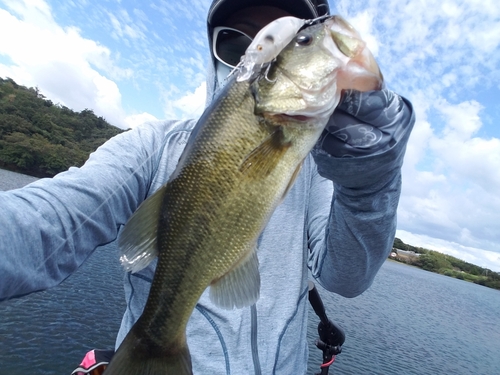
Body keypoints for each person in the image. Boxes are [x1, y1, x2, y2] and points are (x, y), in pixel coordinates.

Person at [0, 0, 415, 374]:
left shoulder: (326, 171)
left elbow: (347, 278)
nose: (250, 55)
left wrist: (369, 188)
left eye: (291, 38)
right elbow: (49, 219)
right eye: (236, 46)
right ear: (213, 57)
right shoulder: (151, 148)